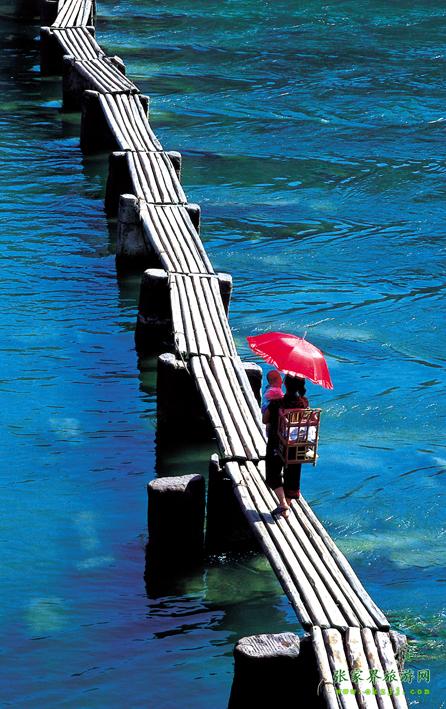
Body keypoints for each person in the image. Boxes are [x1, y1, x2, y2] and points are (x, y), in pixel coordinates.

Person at [262, 375, 309, 519]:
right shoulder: (304, 403)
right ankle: (286, 506)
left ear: (285, 385)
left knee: (273, 472)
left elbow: (264, 420)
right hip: (296, 446)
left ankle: (283, 503)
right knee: (293, 476)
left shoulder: (277, 403)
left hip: (277, 444)